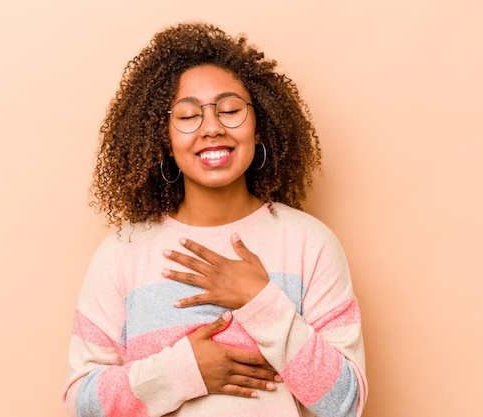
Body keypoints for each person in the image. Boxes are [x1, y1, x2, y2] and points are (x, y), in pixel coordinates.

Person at [63, 22, 367, 417]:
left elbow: (346, 404)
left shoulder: (309, 243)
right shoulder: (123, 252)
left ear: (260, 128)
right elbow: (81, 405)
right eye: (188, 115)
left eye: (230, 110)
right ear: (164, 139)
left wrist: (261, 302)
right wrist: (185, 371)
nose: (212, 127)